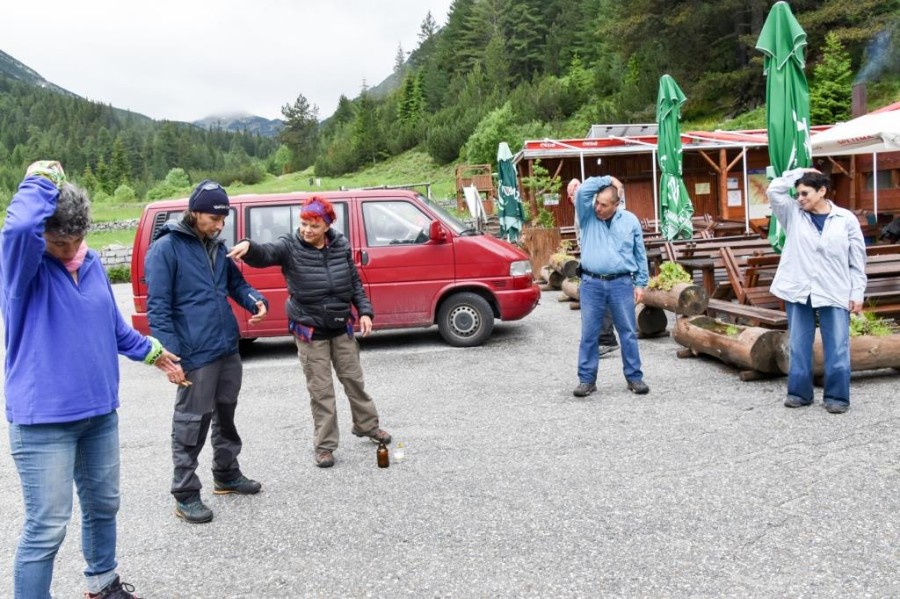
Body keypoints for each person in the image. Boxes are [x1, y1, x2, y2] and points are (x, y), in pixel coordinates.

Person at [1, 161, 182, 599]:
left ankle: (102, 585)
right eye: (59, 241)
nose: (69, 249)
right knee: (46, 528)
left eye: (77, 239)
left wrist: (155, 354)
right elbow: (19, 225)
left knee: (104, 506)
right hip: (44, 422)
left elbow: (113, 327)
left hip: (100, 414)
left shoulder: (93, 262)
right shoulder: (23, 271)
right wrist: (40, 180)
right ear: (44, 235)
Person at [227, 196, 391, 469]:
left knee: (354, 380)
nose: (306, 230)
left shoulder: (340, 245)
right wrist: (249, 246)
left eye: (313, 225)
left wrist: (364, 311)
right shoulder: (290, 246)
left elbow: (354, 282)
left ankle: (367, 426)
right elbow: (266, 252)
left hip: (341, 326)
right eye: (303, 223)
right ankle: (325, 446)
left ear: (326, 226)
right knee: (321, 391)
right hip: (310, 331)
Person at [144, 180, 269, 524]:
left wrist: (255, 299)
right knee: (191, 422)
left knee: (225, 414)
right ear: (195, 212)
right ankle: (184, 493)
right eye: (215, 217)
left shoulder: (216, 246)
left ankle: (226, 474)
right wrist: (168, 356)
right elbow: (158, 308)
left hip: (226, 345)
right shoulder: (165, 249)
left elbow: (235, 284)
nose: (220, 224)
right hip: (194, 353)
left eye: (223, 218)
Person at [767, 169, 866, 414]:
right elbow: (773, 190)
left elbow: (857, 260)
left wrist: (857, 292)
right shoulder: (792, 213)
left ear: (822, 191)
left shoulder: (845, 219)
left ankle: (837, 397)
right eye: (797, 193)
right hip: (799, 288)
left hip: (834, 288)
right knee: (799, 343)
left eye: (805, 193)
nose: (799, 198)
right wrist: (799, 174)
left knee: (837, 344)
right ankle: (799, 394)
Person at [572, 175, 650, 397]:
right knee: (589, 334)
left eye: (604, 205)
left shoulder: (630, 221)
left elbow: (639, 253)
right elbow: (582, 191)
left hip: (621, 283)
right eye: (597, 202)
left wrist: (641, 283)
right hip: (591, 283)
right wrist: (607, 179)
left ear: (617, 204)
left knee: (627, 333)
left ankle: (634, 378)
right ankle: (586, 380)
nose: (598, 207)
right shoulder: (587, 216)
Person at [568, 178, 618, 356]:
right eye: (570, 195)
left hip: (602, 271)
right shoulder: (586, 209)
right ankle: (600, 339)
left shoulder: (591, 209)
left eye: (574, 193)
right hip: (590, 264)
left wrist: (609, 180)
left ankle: (606, 339)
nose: (572, 197)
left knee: (602, 303)